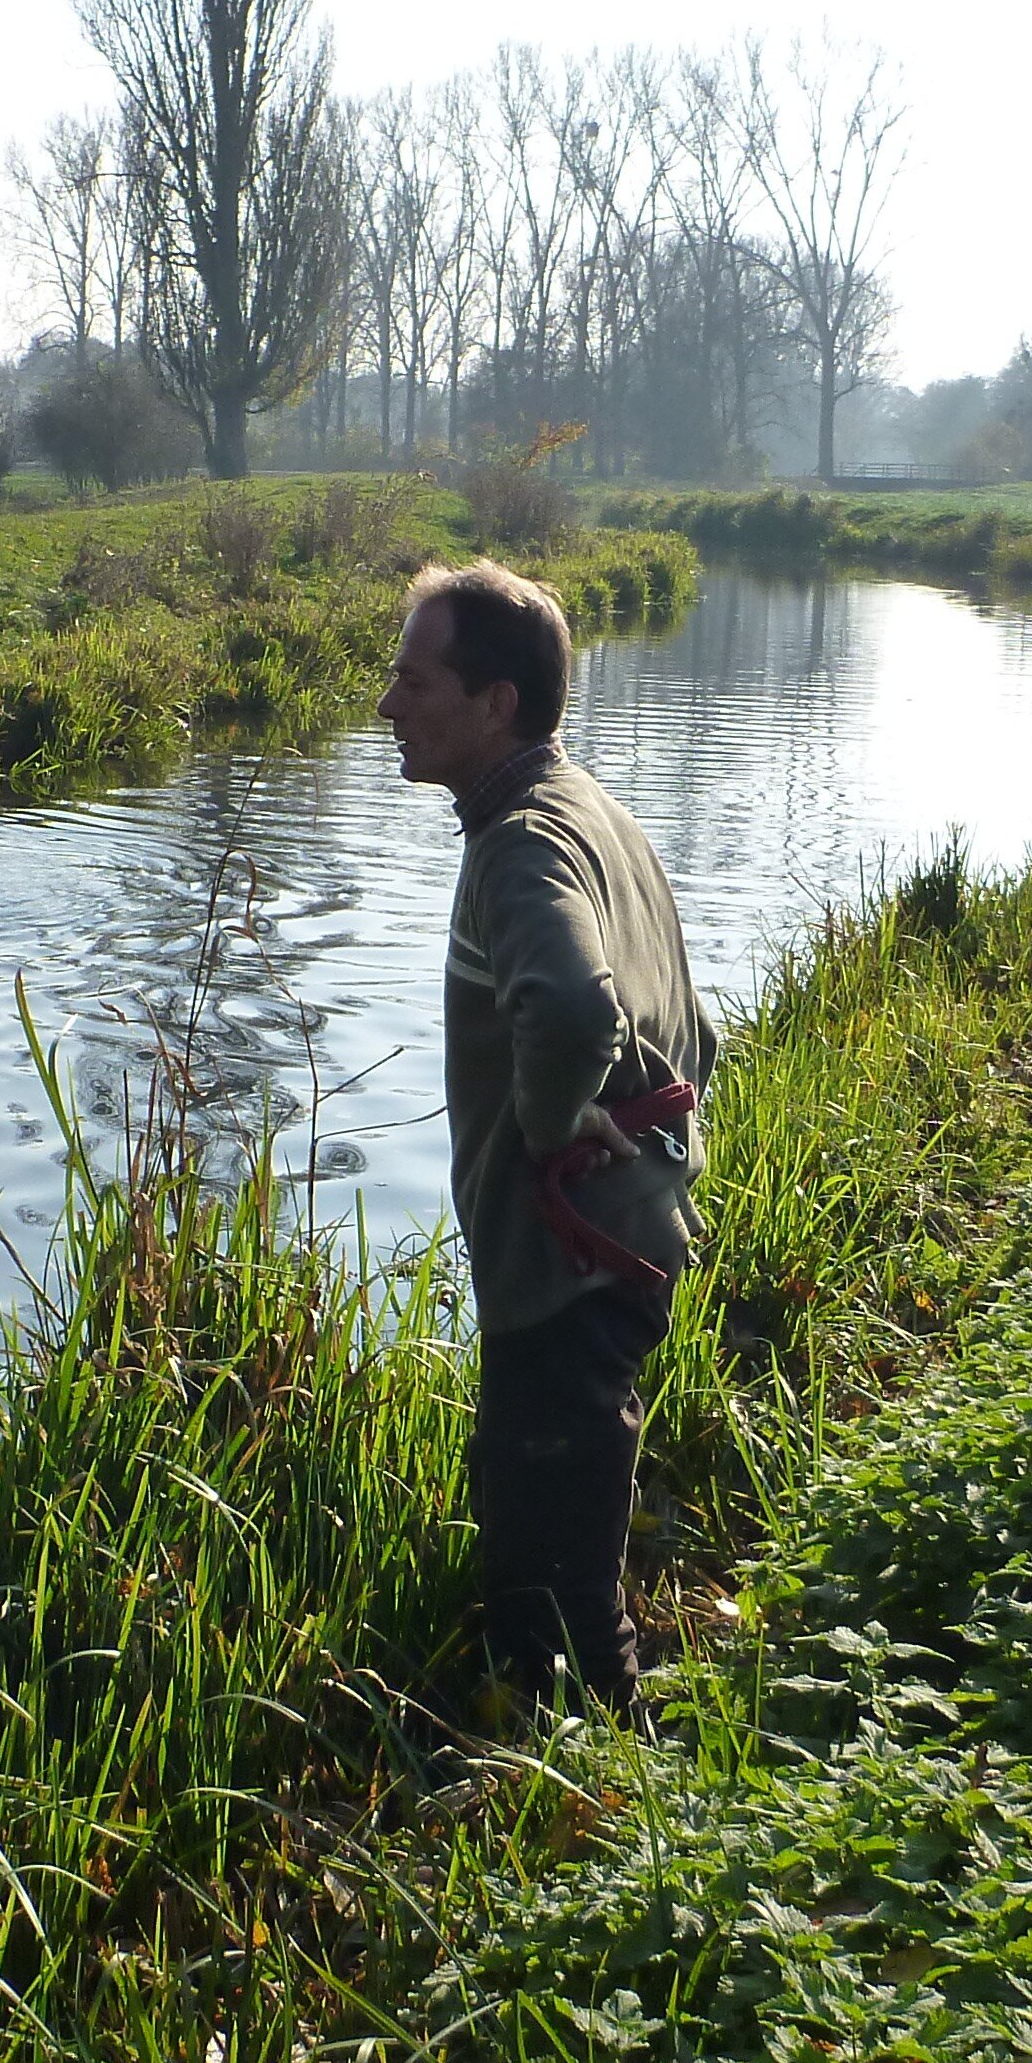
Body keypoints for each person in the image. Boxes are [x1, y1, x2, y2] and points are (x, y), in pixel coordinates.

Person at [378, 559, 717, 1716]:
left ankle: (595, 1805)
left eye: (413, 681)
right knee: (566, 1520)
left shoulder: (521, 843)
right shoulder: (588, 808)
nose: (388, 706)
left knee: (548, 1584)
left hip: (571, 1267)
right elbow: (691, 1025)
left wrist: (550, 1115)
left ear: (495, 704)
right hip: (629, 1239)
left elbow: (576, 1007)